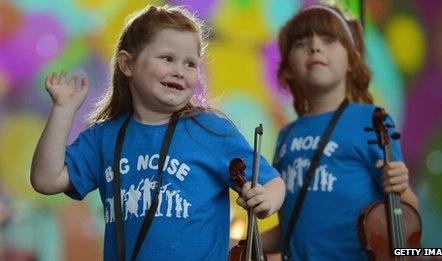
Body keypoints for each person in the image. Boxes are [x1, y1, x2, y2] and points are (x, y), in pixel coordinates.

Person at [30, 5, 285, 260]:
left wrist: (266, 201)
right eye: (167, 58)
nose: (180, 71)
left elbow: (273, 182)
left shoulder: (210, 129)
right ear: (127, 64)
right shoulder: (103, 137)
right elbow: (46, 180)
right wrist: (63, 111)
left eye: (190, 63)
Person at [259, 4, 419, 260]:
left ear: (351, 61)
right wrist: (239, 241)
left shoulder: (371, 120)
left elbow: (408, 215)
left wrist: (400, 189)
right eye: (301, 43)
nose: (314, 46)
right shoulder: (286, 136)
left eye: (329, 39)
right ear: (286, 67)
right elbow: (293, 230)